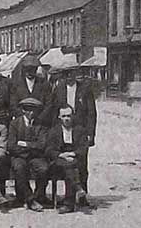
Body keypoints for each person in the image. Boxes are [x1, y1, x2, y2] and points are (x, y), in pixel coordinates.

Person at [50, 63, 96, 192]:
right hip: (63, 128)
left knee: (82, 163)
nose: (69, 76)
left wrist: (90, 133)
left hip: (80, 129)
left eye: (71, 73)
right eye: (66, 74)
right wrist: (54, 131)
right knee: (66, 161)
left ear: (76, 74)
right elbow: (54, 111)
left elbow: (91, 112)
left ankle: (83, 194)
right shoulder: (59, 89)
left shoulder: (85, 89)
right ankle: (69, 194)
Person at [8, 97, 50, 211]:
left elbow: (42, 145)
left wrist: (24, 144)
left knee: (44, 168)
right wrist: (32, 147)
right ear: (23, 110)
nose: (31, 113)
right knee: (19, 167)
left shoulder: (42, 125)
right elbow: (11, 146)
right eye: (28, 110)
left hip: (36, 157)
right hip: (19, 157)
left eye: (34, 110)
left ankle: (38, 196)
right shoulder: (14, 124)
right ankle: (30, 199)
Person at [46, 105, 89, 214]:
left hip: (74, 159)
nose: (66, 118)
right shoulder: (54, 131)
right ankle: (77, 190)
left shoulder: (80, 130)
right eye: (64, 116)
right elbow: (49, 150)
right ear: (59, 117)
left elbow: (83, 148)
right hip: (58, 161)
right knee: (70, 166)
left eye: (69, 116)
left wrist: (72, 153)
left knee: (70, 167)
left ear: (73, 116)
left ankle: (69, 204)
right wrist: (62, 155)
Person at [10, 55, 51, 125]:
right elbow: (13, 105)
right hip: (22, 123)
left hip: (40, 123)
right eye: (27, 69)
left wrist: (39, 118)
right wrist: (24, 118)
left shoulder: (44, 84)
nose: (29, 72)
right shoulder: (16, 85)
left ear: (36, 69)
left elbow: (49, 104)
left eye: (32, 69)